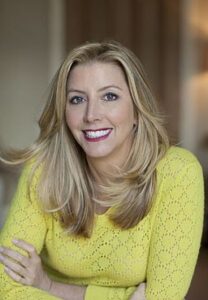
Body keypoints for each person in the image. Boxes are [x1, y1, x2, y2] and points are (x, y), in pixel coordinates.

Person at [0, 41, 204, 300]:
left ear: (137, 111)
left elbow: (163, 296)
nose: (91, 115)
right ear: (64, 112)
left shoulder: (178, 172)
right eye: (77, 99)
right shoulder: (42, 171)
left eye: (109, 96)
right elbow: (5, 286)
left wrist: (51, 287)